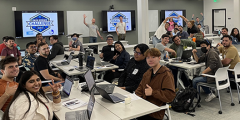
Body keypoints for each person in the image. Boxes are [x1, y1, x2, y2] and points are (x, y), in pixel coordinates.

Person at [135, 48, 175, 120]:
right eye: (148, 57)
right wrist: (134, 100)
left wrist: (153, 92)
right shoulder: (148, 72)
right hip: (143, 108)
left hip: (155, 112)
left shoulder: (166, 74)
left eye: (153, 57)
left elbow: (170, 96)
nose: (150, 60)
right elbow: (139, 90)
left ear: (159, 58)